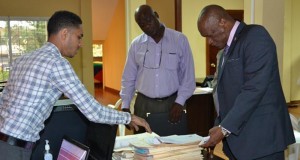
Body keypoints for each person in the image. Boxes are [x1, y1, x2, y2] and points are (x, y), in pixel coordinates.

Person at [0, 10, 151, 160]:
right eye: (79, 37)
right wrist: (128, 118)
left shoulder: (23, 59)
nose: (80, 44)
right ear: (64, 34)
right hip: (15, 148)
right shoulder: (57, 63)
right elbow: (93, 112)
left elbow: (3, 99)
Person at [197, 5, 295, 160]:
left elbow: (254, 88)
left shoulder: (255, 36)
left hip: (262, 142)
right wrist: (219, 125)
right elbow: (224, 93)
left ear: (223, 22)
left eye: (211, 35)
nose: (209, 42)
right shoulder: (226, 50)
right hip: (240, 144)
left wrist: (223, 129)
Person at [120, 5, 196, 133]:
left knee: (172, 148)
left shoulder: (179, 40)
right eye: (141, 24)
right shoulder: (136, 45)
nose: (146, 26)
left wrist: (180, 102)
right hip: (143, 104)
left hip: (172, 104)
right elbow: (128, 78)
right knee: (143, 148)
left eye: (148, 20)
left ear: (156, 15)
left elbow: (188, 76)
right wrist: (125, 106)